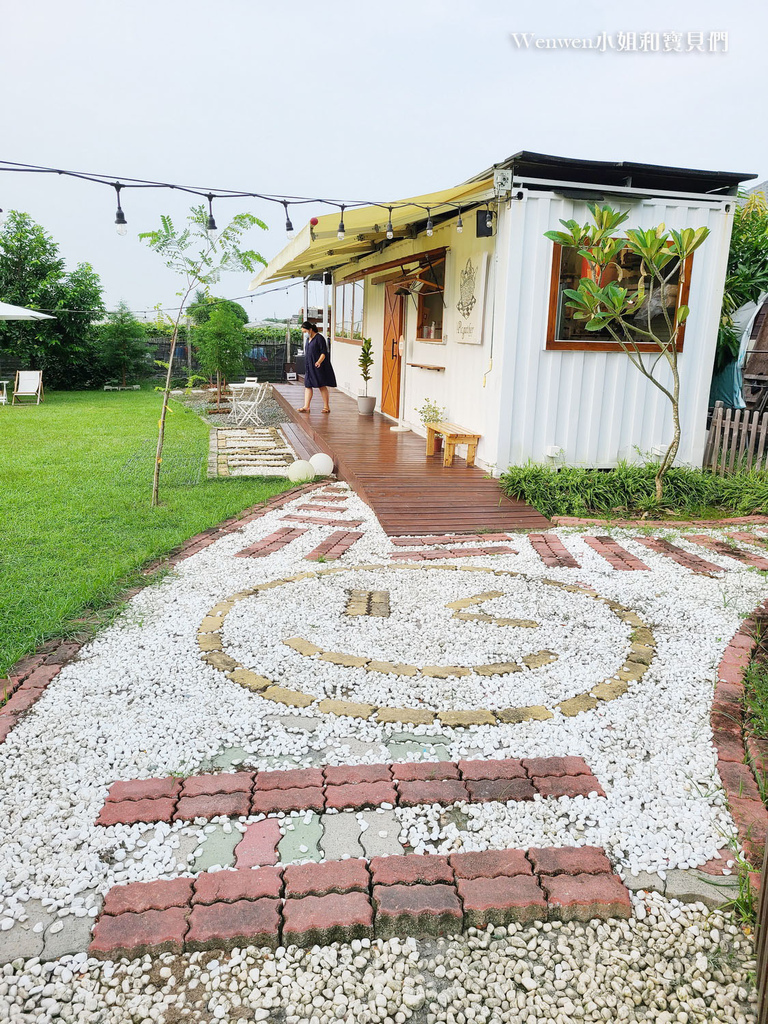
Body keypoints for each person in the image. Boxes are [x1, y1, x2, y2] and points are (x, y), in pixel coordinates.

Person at [297, 320, 337, 413]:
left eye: (305, 332)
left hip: (317, 366)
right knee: (308, 385)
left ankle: (326, 407)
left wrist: (319, 362)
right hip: (309, 366)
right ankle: (306, 406)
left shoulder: (319, 338)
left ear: (310, 329)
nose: (305, 334)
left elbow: (323, 352)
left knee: (321, 385)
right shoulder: (308, 339)